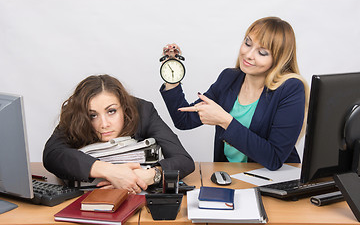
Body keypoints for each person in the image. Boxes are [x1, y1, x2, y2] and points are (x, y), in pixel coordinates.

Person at [160, 16, 309, 171]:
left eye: (262, 52)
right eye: (248, 43)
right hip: (232, 175)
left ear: (278, 59)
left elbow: (274, 159)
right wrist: (172, 74)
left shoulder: (290, 88)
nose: (249, 54)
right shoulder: (229, 78)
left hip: (273, 181)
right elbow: (184, 120)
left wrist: (225, 120)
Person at [43, 74, 195, 194]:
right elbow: (52, 154)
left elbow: (184, 160)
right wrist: (111, 172)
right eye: (92, 115)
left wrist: (146, 176)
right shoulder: (75, 114)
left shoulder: (143, 110)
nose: (104, 124)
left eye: (111, 111)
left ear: (124, 107)